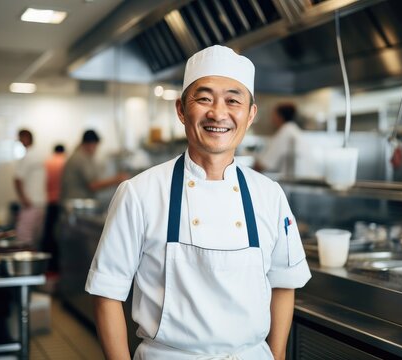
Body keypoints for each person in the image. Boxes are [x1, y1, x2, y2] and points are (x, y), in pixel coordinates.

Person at [85, 45, 311, 360]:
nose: (218, 113)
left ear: (250, 114)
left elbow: (284, 283)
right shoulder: (139, 193)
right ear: (180, 109)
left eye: (233, 100)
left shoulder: (269, 195)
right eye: (204, 98)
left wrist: (276, 355)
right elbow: (107, 293)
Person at [60, 130, 128, 202]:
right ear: (90, 144)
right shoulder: (80, 158)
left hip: (76, 202)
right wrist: (116, 180)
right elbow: (93, 185)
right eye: (95, 146)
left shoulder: (80, 156)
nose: (96, 149)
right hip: (76, 203)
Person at [14, 129, 46, 249]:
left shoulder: (28, 156)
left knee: (24, 238)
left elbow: (17, 179)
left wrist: (23, 198)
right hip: (39, 202)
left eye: (20, 139)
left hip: (30, 203)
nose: (20, 142)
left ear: (26, 138)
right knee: (34, 238)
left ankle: (25, 266)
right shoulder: (38, 154)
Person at [254, 102, 302, 178]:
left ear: (280, 116)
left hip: (292, 183)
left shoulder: (285, 132)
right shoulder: (294, 130)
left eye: (273, 114)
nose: (271, 118)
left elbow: (263, 164)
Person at [42, 144, 66, 271]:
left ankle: (47, 266)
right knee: (57, 235)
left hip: (48, 200)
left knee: (48, 234)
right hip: (59, 201)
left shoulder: (47, 163)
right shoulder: (64, 163)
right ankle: (55, 267)